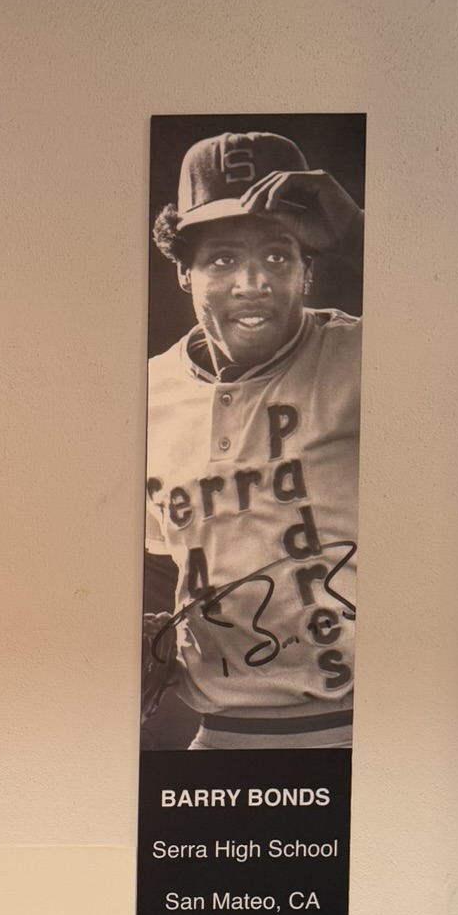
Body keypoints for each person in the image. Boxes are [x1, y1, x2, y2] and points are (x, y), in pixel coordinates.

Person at [143, 131, 362, 749]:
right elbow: (162, 558)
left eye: (277, 256)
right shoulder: (146, 394)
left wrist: (359, 234)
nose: (252, 281)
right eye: (221, 260)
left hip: (367, 731)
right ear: (183, 271)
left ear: (308, 270)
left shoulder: (363, 355)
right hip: (220, 734)